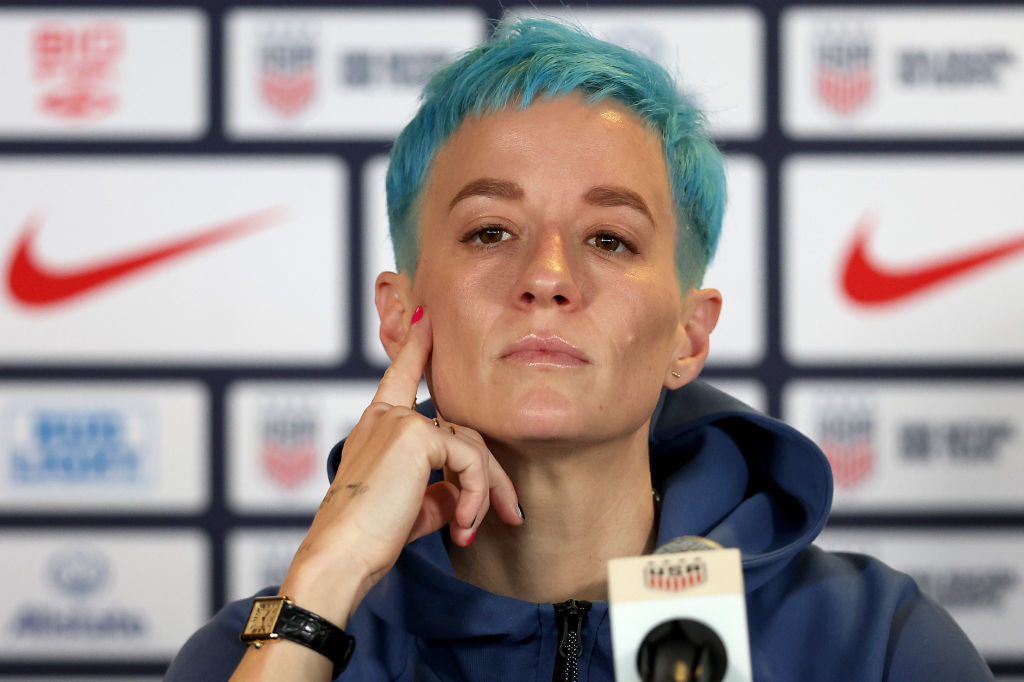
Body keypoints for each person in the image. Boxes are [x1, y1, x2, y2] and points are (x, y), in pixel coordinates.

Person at [166, 18, 993, 681]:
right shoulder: (254, 653)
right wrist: (322, 592)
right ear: (398, 313)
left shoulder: (877, 647)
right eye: (491, 231)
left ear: (688, 334)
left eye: (610, 238)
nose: (548, 277)